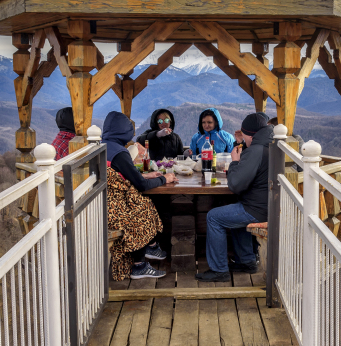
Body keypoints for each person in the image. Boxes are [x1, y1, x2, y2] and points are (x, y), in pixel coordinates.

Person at [101, 111, 178, 280]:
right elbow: (141, 186)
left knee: (144, 204)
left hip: (102, 203)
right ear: (124, 131)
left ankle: (151, 247)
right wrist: (165, 178)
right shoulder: (119, 153)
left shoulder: (103, 146)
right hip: (114, 209)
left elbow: (122, 175)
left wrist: (144, 175)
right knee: (144, 207)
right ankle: (140, 264)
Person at [196, 112, 273, 282]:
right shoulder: (270, 145)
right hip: (270, 205)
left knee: (214, 217)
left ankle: (219, 270)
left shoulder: (256, 150)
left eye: (244, 136)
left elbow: (236, 185)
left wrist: (235, 162)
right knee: (235, 208)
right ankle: (246, 261)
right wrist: (242, 148)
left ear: (250, 135)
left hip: (259, 210)